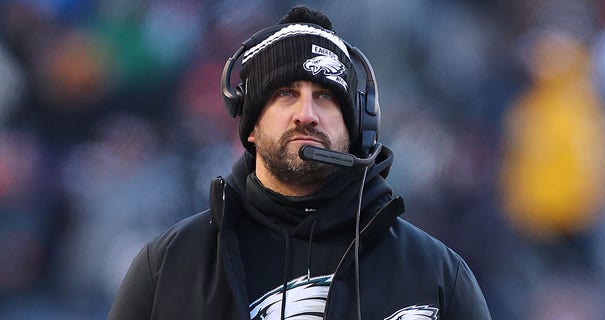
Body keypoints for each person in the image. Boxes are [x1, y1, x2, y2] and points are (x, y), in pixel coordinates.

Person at [107, 5, 492, 320]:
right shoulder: (170, 266)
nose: (306, 114)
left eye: (325, 96)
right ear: (251, 125)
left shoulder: (436, 274)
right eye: (286, 94)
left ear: (357, 128)